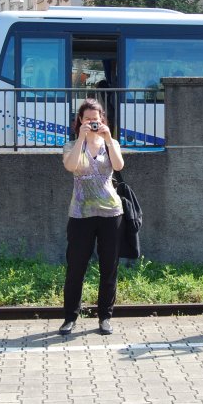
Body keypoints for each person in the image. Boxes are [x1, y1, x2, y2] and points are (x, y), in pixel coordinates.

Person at [60, 98, 125, 336]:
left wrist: (108, 139)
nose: (91, 123)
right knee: (76, 267)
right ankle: (70, 318)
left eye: (95, 120)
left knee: (109, 267)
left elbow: (118, 166)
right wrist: (81, 138)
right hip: (80, 214)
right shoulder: (70, 145)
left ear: (103, 121)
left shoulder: (112, 143)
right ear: (79, 120)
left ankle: (105, 317)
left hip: (111, 214)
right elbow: (71, 166)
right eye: (87, 119)